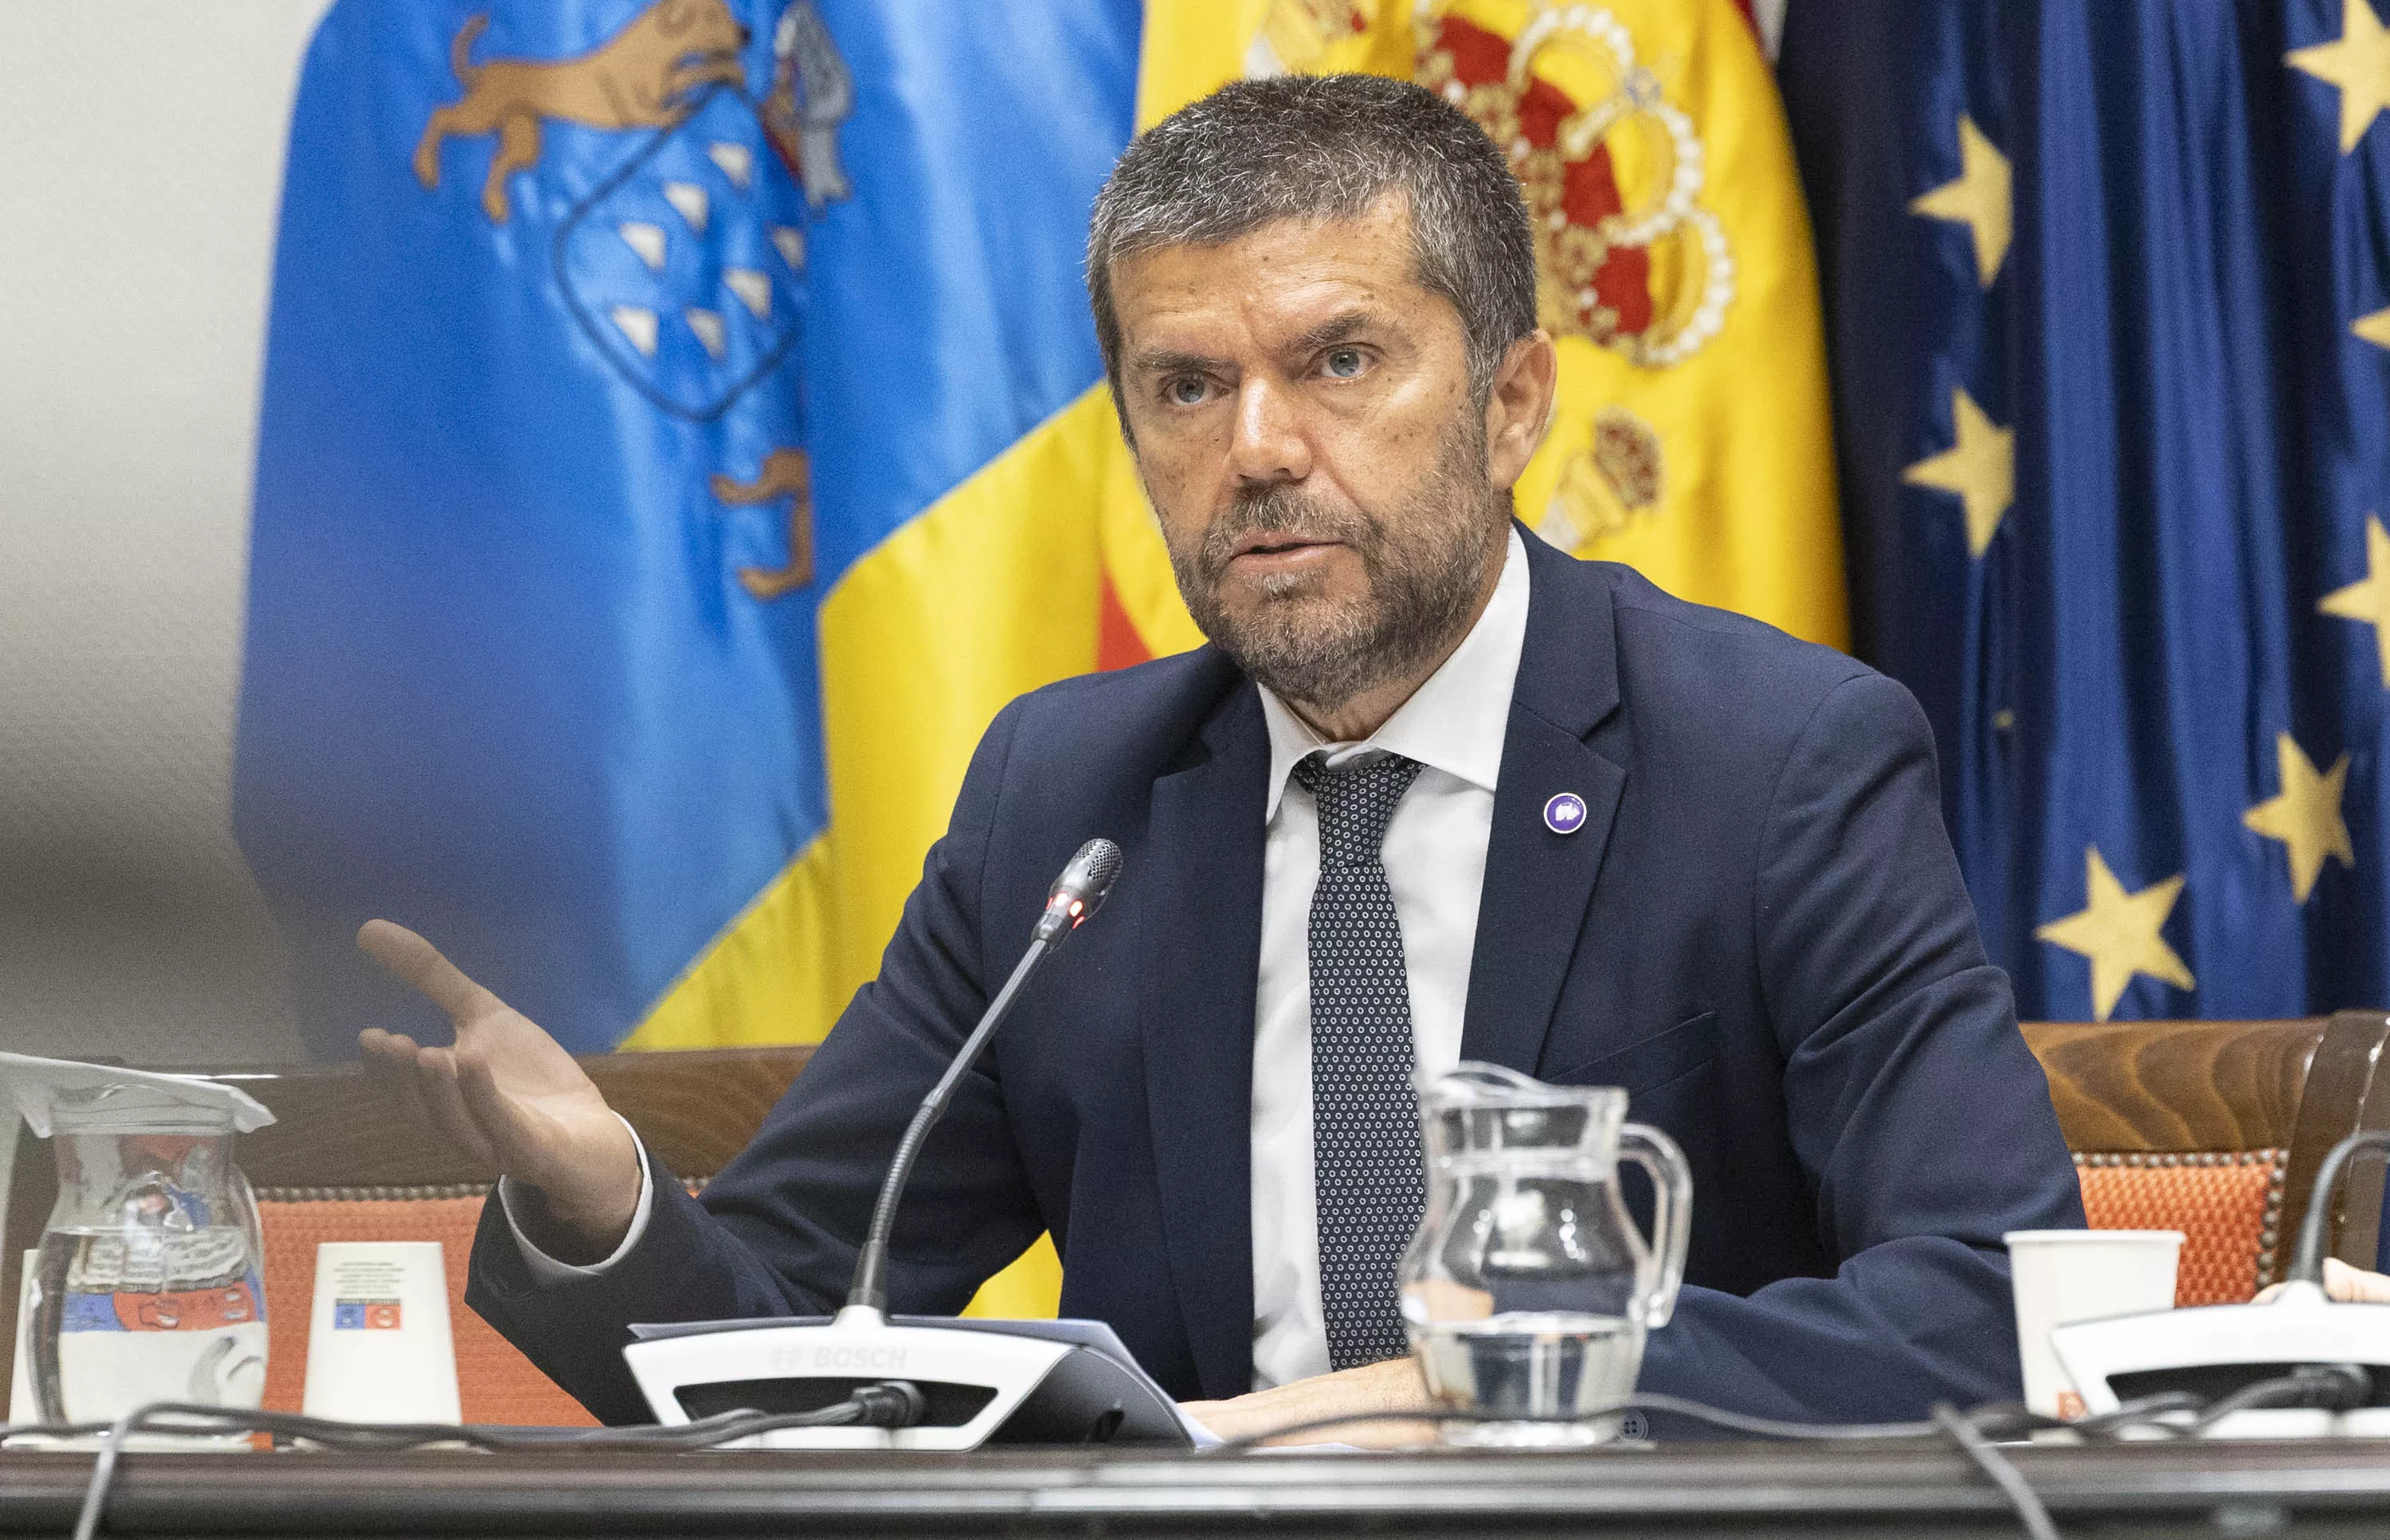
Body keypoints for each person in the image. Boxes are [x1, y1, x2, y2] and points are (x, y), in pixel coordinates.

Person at [358, 74, 2091, 1440]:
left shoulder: (1776, 761)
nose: (1259, 450)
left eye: (1340, 361)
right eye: (1185, 388)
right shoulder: (1066, 799)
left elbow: (1990, 1294)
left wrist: (1471, 1394)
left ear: (1512, 402)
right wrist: (598, 1197)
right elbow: (796, 1328)